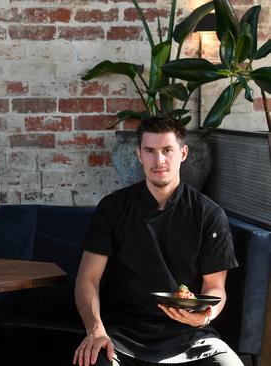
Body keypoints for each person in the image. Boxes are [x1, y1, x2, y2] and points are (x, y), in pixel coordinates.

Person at [73, 115, 243, 366]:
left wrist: (205, 317)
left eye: (167, 150)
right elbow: (88, 278)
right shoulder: (113, 208)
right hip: (122, 334)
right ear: (139, 155)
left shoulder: (208, 213)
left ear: (183, 153)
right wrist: (95, 329)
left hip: (190, 335)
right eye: (150, 151)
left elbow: (215, 288)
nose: (159, 160)